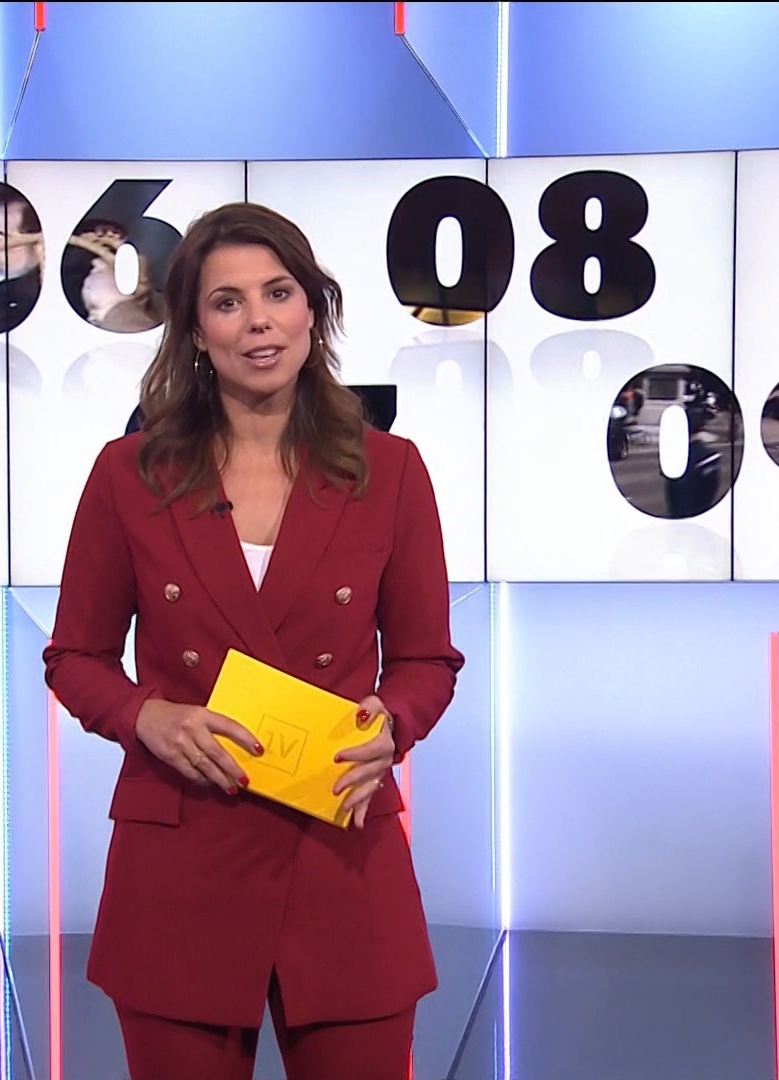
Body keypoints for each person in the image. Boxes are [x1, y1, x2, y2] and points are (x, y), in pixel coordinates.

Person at [43, 202, 466, 1080]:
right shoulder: (130, 476)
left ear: (314, 308)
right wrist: (145, 716)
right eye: (227, 302)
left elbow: (427, 660)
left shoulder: (390, 472)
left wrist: (394, 723)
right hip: (181, 862)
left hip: (341, 852)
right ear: (196, 331)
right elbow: (74, 657)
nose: (259, 321)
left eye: (278, 293)